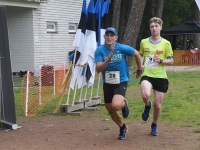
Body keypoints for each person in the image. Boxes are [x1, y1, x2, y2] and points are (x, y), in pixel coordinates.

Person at [94, 27, 143, 140]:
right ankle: (122, 127)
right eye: (108, 35)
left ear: (116, 37)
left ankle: (123, 103)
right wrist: (107, 60)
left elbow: (136, 53)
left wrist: (140, 68)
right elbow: (98, 69)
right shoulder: (100, 50)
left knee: (116, 105)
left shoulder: (121, 48)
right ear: (104, 37)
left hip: (121, 80)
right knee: (110, 109)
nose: (109, 37)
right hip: (108, 82)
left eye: (112, 35)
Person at [139, 17, 174, 136]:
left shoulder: (166, 43)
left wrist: (161, 60)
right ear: (150, 28)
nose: (154, 28)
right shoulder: (144, 42)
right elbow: (141, 56)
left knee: (158, 106)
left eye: (156, 26)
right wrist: (140, 67)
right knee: (145, 95)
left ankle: (154, 124)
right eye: (152, 26)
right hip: (147, 74)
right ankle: (147, 105)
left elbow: (172, 61)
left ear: (161, 28)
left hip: (160, 76)